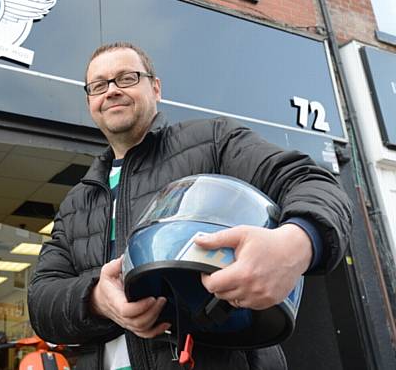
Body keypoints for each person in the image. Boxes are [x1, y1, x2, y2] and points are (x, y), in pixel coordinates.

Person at [28, 42, 351, 369]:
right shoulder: (77, 201)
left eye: (126, 78)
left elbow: (311, 180)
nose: (111, 91)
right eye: (99, 85)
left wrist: (295, 244)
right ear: (90, 101)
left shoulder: (214, 141)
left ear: (155, 87)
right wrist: (96, 299)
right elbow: (41, 301)